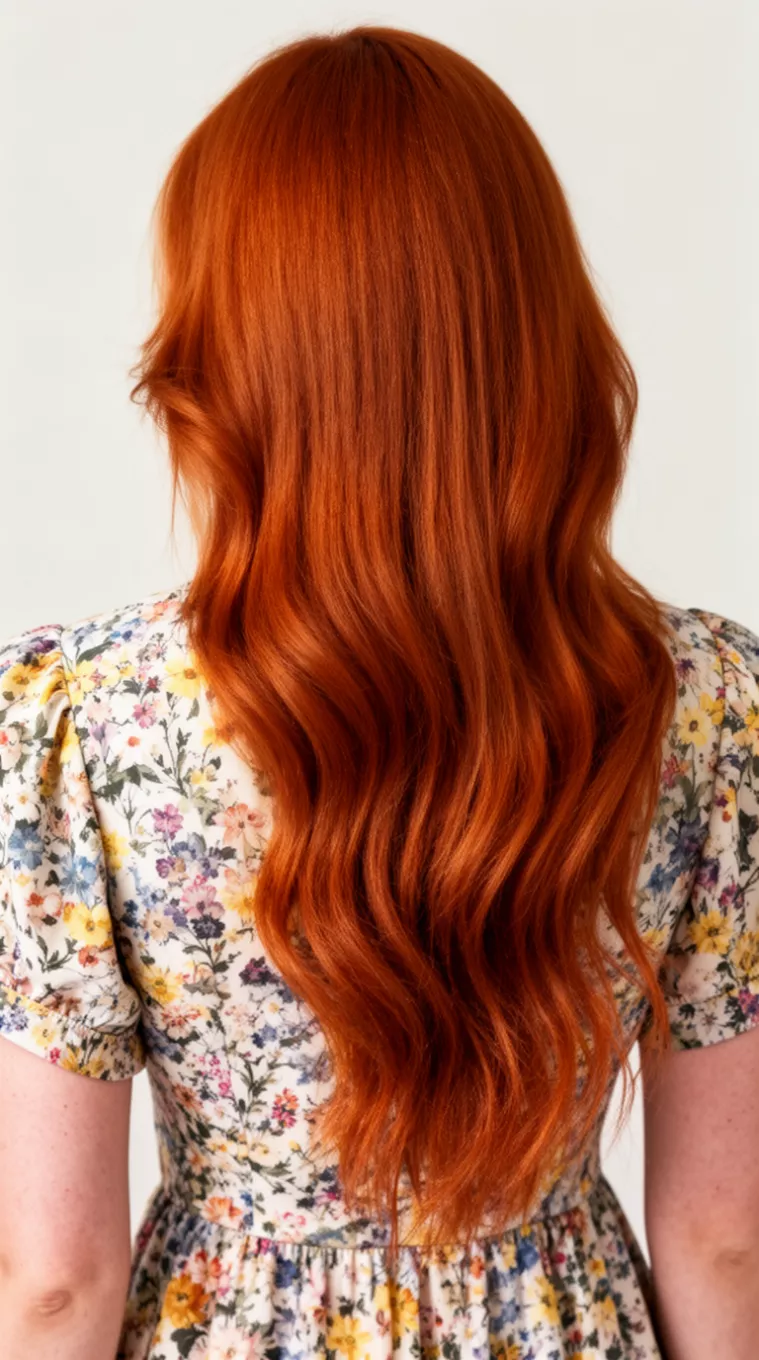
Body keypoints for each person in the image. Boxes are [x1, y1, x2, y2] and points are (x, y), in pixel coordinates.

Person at [1, 23, 758, 1360]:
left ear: (224, 359)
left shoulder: (81, 718)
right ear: (532, 335)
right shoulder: (702, 701)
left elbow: (50, 1275)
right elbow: (721, 1237)